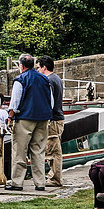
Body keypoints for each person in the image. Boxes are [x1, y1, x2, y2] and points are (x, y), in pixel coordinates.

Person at [5, 54, 53, 191]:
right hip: (43, 118)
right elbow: (51, 100)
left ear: (21, 65)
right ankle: (40, 182)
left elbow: (15, 101)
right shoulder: (45, 78)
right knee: (38, 151)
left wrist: (10, 116)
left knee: (20, 151)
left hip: (25, 117)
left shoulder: (20, 79)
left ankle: (17, 182)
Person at [38, 55, 65, 187]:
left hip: (53, 120)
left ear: (44, 67)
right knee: (54, 149)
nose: (37, 70)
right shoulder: (57, 79)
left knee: (53, 151)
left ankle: (55, 179)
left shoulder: (48, 81)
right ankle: (54, 177)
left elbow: (50, 102)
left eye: (38, 67)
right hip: (58, 118)